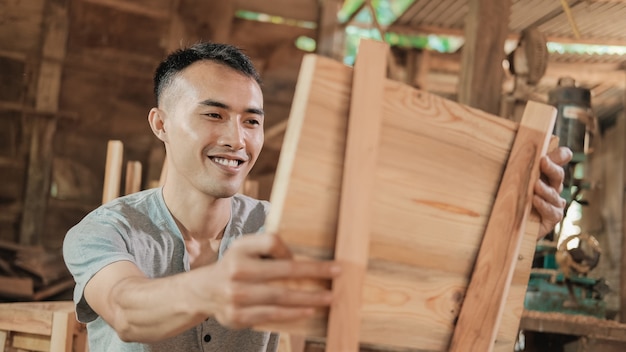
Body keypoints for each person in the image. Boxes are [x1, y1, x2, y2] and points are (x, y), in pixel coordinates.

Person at [63, 41, 572, 352]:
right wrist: (215, 287)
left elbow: (410, 259)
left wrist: (518, 224)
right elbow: (127, 310)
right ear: (160, 124)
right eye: (213, 115)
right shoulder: (106, 230)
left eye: (252, 121)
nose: (237, 140)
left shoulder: (282, 224)